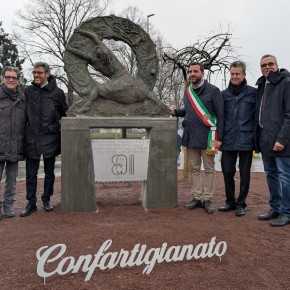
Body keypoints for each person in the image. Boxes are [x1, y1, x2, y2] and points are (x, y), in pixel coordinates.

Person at [169, 62, 224, 214]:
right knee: (194, 169)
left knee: (209, 169)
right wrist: (174, 111)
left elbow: (221, 115)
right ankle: (197, 197)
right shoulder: (187, 92)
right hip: (191, 136)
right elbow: (188, 112)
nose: (192, 74)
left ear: (202, 73)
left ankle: (207, 199)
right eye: (190, 71)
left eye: (195, 71)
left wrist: (220, 138)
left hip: (208, 137)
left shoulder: (213, 91)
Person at [20, 62, 67, 217]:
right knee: (31, 173)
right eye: (34, 72)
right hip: (31, 137)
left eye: (39, 73)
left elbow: (64, 113)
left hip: (50, 137)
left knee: (49, 172)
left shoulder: (58, 93)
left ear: (47, 74)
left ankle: (46, 199)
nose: (36, 75)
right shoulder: (28, 91)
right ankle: (31, 203)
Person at [255, 54, 290, 227]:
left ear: (277, 65)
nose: (267, 67)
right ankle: (275, 208)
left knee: (285, 176)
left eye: (270, 64)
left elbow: (289, 115)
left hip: (281, 141)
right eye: (263, 65)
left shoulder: (286, 83)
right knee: (271, 175)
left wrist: (281, 139)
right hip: (264, 138)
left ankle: (287, 212)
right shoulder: (262, 85)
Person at [218, 61, 256, 217]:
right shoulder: (223, 95)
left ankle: (241, 203)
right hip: (227, 139)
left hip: (246, 139)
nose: (234, 76)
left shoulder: (254, 93)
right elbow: (218, 117)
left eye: (237, 74)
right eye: (232, 74)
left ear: (244, 75)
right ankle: (230, 201)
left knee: (245, 173)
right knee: (227, 171)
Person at [0, 66, 25, 218]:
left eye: (14, 78)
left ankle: (8, 205)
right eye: (8, 77)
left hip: (15, 145)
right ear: (3, 78)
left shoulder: (22, 99)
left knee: (12, 180)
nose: (10, 80)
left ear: (18, 80)